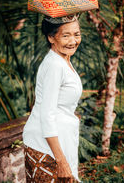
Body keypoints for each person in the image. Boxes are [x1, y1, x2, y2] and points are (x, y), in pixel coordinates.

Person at [22, 14, 82, 182]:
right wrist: (61, 160)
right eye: (66, 35)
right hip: (46, 147)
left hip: (58, 142)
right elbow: (46, 114)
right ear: (51, 38)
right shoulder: (55, 66)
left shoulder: (63, 61)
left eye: (76, 34)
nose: (73, 40)